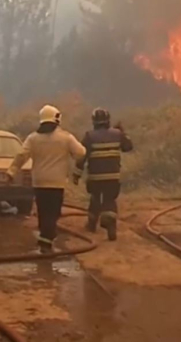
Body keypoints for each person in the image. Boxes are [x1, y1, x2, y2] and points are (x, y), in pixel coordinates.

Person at [8, 105, 86, 253]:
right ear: (57, 118)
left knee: (43, 211)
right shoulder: (65, 137)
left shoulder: (32, 138)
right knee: (54, 212)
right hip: (57, 183)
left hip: (39, 182)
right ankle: (46, 241)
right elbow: (81, 153)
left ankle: (45, 239)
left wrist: (12, 171)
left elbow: (21, 155)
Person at [73, 107, 133, 241]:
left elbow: (81, 157)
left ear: (94, 121)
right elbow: (128, 147)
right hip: (113, 177)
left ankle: (92, 224)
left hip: (95, 177)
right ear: (108, 120)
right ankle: (110, 224)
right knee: (110, 199)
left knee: (95, 198)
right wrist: (123, 133)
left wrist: (76, 175)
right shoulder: (117, 134)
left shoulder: (89, 136)